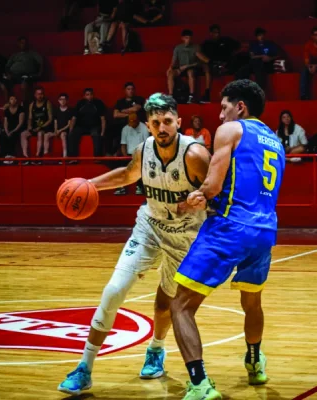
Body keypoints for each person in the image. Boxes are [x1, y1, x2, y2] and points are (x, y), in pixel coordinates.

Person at [57, 93, 211, 395]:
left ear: (178, 122)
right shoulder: (144, 150)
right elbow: (128, 174)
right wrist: (91, 184)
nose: (162, 127)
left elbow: (218, 188)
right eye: (156, 123)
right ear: (148, 125)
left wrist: (203, 197)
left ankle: (156, 349)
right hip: (149, 226)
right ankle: (84, 368)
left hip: (186, 236)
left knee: (166, 302)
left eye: (168, 121)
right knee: (114, 290)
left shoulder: (194, 154)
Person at [170, 80, 285, 399]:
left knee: (180, 305)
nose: (219, 115)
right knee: (252, 302)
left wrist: (190, 200)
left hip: (231, 227)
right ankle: (255, 362)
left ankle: (199, 384)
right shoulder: (276, 141)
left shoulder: (231, 130)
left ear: (240, 107)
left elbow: (213, 186)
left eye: (223, 107)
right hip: (266, 230)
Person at [167, 29, 211, 104]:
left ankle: (191, 96)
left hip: (192, 67)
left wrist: (187, 66)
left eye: (190, 38)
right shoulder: (178, 48)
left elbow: (199, 62)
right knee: (171, 74)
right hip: (181, 68)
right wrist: (170, 68)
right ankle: (171, 96)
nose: (188, 40)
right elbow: (173, 61)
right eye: (186, 38)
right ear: (182, 38)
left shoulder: (196, 47)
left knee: (190, 72)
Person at [235, 27, 280, 92]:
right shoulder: (253, 44)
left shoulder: (270, 44)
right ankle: (241, 91)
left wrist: (270, 58)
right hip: (254, 65)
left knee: (259, 68)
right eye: (259, 35)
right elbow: (252, 57)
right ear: (256, 36)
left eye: (262, 35)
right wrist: (262, 56)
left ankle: (260, 91)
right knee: (241, 71)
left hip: (267, 64)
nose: (261, 37)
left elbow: (277, 55)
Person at [115, 113, 150, 195]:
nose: (132, 125)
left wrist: (140, 155)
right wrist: (125, 157)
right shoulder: (125, 129)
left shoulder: (144, 128)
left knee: (141, 166)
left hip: (141, 153)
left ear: (137, 121)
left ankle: (139, 187)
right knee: (121, 166)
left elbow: (146, 144)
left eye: (134, 123)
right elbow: (123, 145)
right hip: (128, 154)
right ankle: (121, 187)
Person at [4, 36, 44, 104]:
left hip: (27, 75)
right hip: (14, 75)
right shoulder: (14, 55)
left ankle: (24, 103)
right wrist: (8, 74)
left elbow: (41, 62)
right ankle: (9, 104)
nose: (23, 44)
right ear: (18, 44)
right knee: (5, 82)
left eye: (25, 43)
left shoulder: (32, 53)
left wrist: (39, 74)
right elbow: (7, 66)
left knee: (24, 82)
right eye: (22, 43)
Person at [71, 88, 107, 159]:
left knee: (96, 134)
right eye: (87, 95)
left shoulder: (98, 103)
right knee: (73, 134)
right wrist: (71, 130)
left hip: (95, 126)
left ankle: (97, 158)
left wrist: (102, 132)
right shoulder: (80, 103)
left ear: (93, 95)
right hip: (81, 126)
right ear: (84, 96)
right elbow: (74, 118)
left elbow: (103, 119)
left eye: (91, 94)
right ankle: (73, 158)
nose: (89, 96)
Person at [20, 87, 53, 164]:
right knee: (23, 134)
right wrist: (29, 126)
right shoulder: (32, 104)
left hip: (44, 127)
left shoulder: (47, 103)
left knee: (40, 133)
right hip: (34, 127)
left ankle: (37, 156)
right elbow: (30, 118)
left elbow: (50, 119)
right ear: (35, 95)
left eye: (41, 94)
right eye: (38, 94)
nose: (40, 96)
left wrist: (41, 127)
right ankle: (25, 156)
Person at [44, 93, 74, 160]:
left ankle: (65, 156)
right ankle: (46, 154)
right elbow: (55, 122)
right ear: (58, 100)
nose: (62, 101)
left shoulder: (70, 110)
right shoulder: (56, 110)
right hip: (57, 130)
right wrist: (55, 130)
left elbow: (69, 124)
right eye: (61, 99)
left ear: (67, 100)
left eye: (64, 99)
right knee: (46, 135)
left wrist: (60, 130)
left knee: (63, 135)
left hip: (65, 130)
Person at [1, 95, 26, 163]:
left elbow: (21, 123)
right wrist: (7, 131)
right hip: (9, 129)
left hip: (18, 128)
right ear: (9, 101)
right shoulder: (6, 110)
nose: (13, 100)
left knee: (14, 135)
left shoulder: (21, 109)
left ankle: (13, 155)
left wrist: (13, 131)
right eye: (11, 99)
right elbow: (5, 123)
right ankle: (6, 155)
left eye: (15, 99)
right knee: (3, 135)